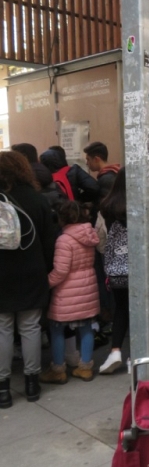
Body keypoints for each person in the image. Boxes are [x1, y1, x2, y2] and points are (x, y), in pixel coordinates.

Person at [0, 151, 56, 408]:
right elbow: (49, 240)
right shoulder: (37, 199)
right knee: (31, 326)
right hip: (32, 270)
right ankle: (32, 383)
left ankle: (3, 388)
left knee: (3, 328)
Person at [39, 200, 100, 384]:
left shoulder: (64, 239)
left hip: (67, 291)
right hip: (88, 287)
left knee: (57, 328)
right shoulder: (89, 234)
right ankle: (85, 368)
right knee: (87, 327)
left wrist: (45, 284)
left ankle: (58, 369)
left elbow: (61, 271)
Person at [98, 168, 130, 374]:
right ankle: (138, 357)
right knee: (142, 310)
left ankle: (115, 351)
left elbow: (101, 239)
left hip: (118, 269)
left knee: (121, 308)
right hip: (141, 268)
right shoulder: (142, 204)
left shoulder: (107, 206)